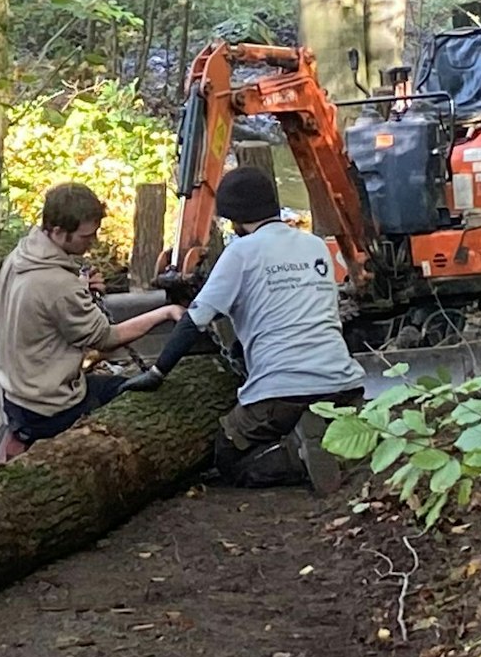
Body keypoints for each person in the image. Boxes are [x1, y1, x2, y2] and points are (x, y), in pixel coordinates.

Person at [122, 166, 365, 487]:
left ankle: (298, 455)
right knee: (315, 412)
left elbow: (195, 320)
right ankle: (329, 440)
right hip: (344, 383)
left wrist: (157, 373)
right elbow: (289, 310)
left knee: (229, 456)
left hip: (283, 392)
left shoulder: (241, 251)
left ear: (235, 217)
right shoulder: (315, 246)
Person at [0, 182, 186, 460]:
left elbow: (48, 309)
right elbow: (106, 338)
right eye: (86, 237)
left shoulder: (20, 257)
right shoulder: (58, 284)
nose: (91, 243)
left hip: (16, 397)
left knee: (107, 382)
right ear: (58, 231)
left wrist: (80, 288)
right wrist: (164, 313)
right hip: (51, 406)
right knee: (137, 396)